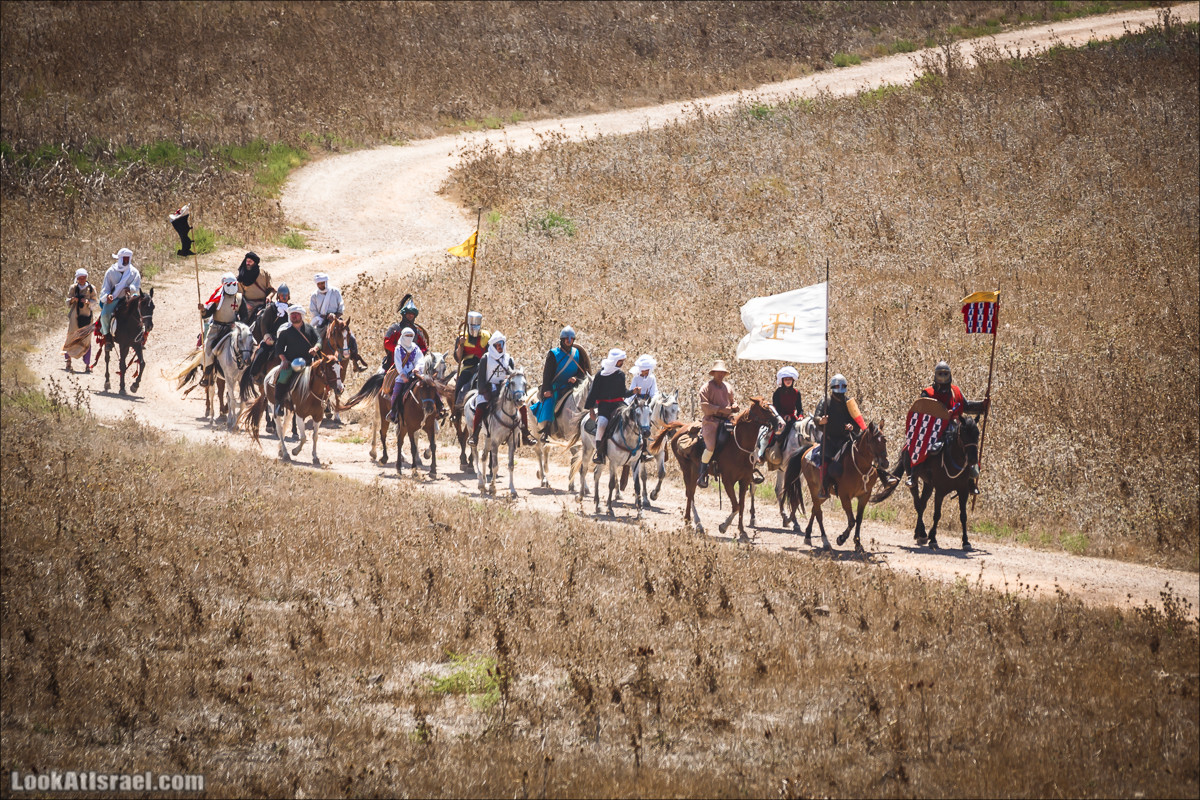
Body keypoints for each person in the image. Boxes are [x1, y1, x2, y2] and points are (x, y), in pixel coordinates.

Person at [900, 361, 990, 488]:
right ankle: (913, 475)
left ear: (949, 375)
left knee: (967, 441)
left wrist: (982, 405)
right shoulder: (927, 393)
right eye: (940, 373)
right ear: (935, 375)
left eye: (945, 373)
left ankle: (970, 478)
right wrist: (940, 415)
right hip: (932, 428)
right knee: (921, 444)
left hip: (953, 426)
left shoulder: (956, 391)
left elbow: (967, 406)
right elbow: (921, 413)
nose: (942, 376)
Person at [468, 332, 536, 446]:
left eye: (501, 344)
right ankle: (475, 435)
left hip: (504, 388)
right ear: (493, 346)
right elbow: (481, 378)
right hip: (489, 388)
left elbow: (512, 376)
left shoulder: (508, 359)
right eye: (497, 345)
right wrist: (484, 391)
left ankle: (525, 433)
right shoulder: (486, 358)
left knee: (522, 406)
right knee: (481, 406)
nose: (500, 347)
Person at [812, 374, 867, 500]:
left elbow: (857, 422)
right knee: (825, 460)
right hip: (829, 439)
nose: (840, 389)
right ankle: (824, 487)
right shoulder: (826, 401)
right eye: (837, 386)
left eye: (842, 386)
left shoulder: (849, 403)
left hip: (845, 440)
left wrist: (851, 427)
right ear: (832, 387)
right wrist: (821, 421)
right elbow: (816, 417)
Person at [535, 326, 591, 441]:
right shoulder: (553, 354)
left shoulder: (577, 353)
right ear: (562, 340)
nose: (569, 342)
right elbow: (547, 374)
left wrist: (576, 378)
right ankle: (546, 429)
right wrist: (547, 389)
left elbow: (583, 373)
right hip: (556, 386)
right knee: (550, 402)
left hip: (572, 386)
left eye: (571, 340)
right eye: (566, 340)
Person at [271, 306, 320, 417]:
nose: (294, 316)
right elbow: (279, 348)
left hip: (309, 362)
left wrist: (315, 348)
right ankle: (279, 404)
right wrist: (283, 360)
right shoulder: (286, 332)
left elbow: (319, 340)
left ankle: (326, 404)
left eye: (296, 314)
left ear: (301, 316)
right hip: (291, 363)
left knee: (323, 376)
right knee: (283, 377)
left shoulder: (309, 329)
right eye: (292, 314)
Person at [310, 273, 366, 369]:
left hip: (337, 320)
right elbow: (313, 311)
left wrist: (335, 316)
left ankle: (355, 360)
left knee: (351, 337)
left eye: (322, 283)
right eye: (319, 284)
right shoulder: (314, 295)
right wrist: (323, 317)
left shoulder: (335, 292)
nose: (321, 286)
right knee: (315, 339)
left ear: (326, 282)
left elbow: (341, 308)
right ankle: (313, 361)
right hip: (322, 321)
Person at [697, 360, 739, 488]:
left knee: (741, 440)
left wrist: (735, 405)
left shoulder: (728, 387)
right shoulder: (706, 388)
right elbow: (704, 406)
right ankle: (702, 474)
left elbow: (732, 401)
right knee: (710, 447)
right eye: (718, 372)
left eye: (722, 372)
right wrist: (720, 409)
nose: (720, 374)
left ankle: (746, 471)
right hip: (711, 420)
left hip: (727, 420)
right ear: (713, 373)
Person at [586, 348, 632, 464]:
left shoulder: (621, 374)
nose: (622, 364)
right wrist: (591, 410)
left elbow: (623, 393)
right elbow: (593, 393)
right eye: (620, 361)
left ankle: (640, 449)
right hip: (604, 406)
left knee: (633, 418)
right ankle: (600, 453)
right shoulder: (600, 375)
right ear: (614, 361)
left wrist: (633, 392)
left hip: (618, 405)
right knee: (601, 424)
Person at [198, 273, 242, 386]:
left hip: (232, 329)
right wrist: (203, 310)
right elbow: (207, 314)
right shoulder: (218, 299)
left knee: (246, 345)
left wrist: (239, 325)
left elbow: (245, 314)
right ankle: (207, 375)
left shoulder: (239, 298)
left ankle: (247, 372)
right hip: (217, 328)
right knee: (207, 348)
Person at [758, 366, 804, 461]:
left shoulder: (796, 393)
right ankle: (764, 452)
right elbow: (776, 409)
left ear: (793, 380)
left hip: (792, 418)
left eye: (790, 379)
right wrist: (784, 416)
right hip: (780, 418)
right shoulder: (777, 393)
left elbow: (800, 409)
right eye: (786, 379)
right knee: (775, 434)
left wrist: (800, 416)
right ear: (782, 380)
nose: (788, 381)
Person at [98, 248, 142, 343]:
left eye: (128, 258)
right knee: (105, 315)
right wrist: (107, 296)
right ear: (120, 258)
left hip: (128, 298)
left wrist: (130, 288)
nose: (126, 260)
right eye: (124, 258)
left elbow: (137, 285)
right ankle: (107, 337)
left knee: (142, 312)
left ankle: (140, 335)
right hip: (114, 299)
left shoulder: (134, 272)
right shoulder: (110, 272)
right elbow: (105, 288)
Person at [385, 328, 424, 423]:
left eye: (411, 336)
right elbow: (398, 363)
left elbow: (420, 359)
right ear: (402, 336)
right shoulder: (398, 348)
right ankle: (393, 412)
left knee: (428, 387)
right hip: (403, 375)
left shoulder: (415, 347)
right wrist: (403, 375)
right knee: (396, 392)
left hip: (415, 374)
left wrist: (417, 368)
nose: (409, 338)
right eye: (407, 336)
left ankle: (437, 409)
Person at [63, 268, 97, 372]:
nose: (82, 280)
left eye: (84, 278)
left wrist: (87, 301)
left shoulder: (91, 288)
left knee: (86, 339)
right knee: (71, 337)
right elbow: (67, 301)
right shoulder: (73, 288)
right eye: (80, 278)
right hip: (75, 317)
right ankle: (68, 362)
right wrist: (73, 299)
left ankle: (87, 365)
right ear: (77, 278)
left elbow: (95, 302)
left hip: (87, 316)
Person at [453, 311, 490, 406]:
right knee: (459, 386)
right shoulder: (462, 337)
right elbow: (458, 358)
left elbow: (491, 352)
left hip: (484, 366)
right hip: (468, 367)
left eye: (477, 325)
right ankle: (456, 411)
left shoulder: (486, 337)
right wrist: (461, 345)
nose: (474, 327)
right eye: (472, 325)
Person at [383, 296, 430, 369]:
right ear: (404, 314)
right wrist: (400, 352)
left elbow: (424, 347)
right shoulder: (395, 328)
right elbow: (387, 343)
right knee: (382, 376)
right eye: (408, 313)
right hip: (395, 361)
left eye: (412, 314)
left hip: (414, 362)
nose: (410, 315)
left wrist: (415, 353)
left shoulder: (418, 331)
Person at [235, 252, 273, 323]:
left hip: (264, 303)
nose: (247, 263)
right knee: (241, 324)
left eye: (250, 262)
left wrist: (269, 296)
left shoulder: (264, 273)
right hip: (249, 304)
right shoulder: (241, 276)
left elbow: (272, 290)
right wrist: (245, 304)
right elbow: (239, 295)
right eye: (247, 261)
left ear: (255, 263)